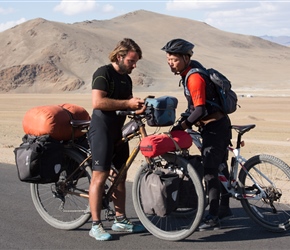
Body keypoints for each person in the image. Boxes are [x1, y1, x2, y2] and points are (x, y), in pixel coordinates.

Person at [161, 38, 233, 230]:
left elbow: (199, 110)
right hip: (218, 124)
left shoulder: (194, 77)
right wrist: (184, 119)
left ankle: (213, 216)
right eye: (168, 59)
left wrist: (182, 126)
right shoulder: (190, 72)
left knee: (210, 171)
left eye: (174, 59)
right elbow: (194, 107)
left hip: (214, 127)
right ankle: (225, 208)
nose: (170, 63)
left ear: (186, 58)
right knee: (220, 165)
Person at [88, 38, 146, 241]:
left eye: (136, 61)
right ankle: (95, 225)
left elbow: (126, 105)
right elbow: (98, 102)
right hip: (101, 129)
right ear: (120, 57)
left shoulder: (127, 79)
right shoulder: (103, 73)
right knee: (100, 176)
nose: (134, 65)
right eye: (131, 61)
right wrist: (128, 103)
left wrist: (138, 107)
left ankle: (120, 219)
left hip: (118, 132)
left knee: (120, 175)